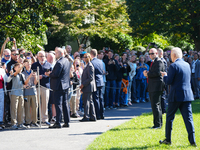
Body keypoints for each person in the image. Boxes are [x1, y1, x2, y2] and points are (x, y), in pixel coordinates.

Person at [160, 47, 196, 146]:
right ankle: (192, 141)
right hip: (187, 95)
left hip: (176, 95)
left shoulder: (173, 66)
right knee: (188, 118)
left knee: (169, 117)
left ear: (174, 55)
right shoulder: (187, 65)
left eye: (171, 55)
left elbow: (169, 81)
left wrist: (165, 76)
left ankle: (168, 139)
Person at [46, 48, 71, 128]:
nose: (55, 54)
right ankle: (66, 121)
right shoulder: (66, 61)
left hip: (58, 86)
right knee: (65, 104)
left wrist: (49, 74)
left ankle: (58, 122)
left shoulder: (59, 62)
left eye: (56, 53)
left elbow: (56, 74)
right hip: (65, 85)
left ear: (60, 53)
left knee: (58, 105)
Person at [143, 48, 165, 129]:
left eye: (152, 53)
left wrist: (148, 74)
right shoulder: (153, 62)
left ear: (156, 53)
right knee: (155, 105)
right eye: (149, 54)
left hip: (156, 86)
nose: (150, 55)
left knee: (155, 105)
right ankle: (158, 123)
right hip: (153, 85)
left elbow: (157, 73)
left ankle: (157, 124)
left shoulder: (158, 61)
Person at [7, 63, 33, 129]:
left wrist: (30, 76)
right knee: (14, 109)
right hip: (14, 93)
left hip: (21, 93)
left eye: (20, 67)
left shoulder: (22, 75)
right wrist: (22, 66)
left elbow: (25, 83)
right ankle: (13, 123)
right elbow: (15, 73)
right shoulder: (13, 74)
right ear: (15, 68)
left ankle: (20, 123)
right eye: (18, 67)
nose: (20, 68)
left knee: (21, 109)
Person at [31, 51, 52, 125]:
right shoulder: (34, 65)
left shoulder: (48, 65)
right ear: (37, 57)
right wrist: (36, 77)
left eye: (43, 56)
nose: (42, 58)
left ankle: (44, 119)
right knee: (35, 103)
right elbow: (32, 74)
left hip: (45, 87)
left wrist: (42, 76)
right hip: (36, 86)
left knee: (45, 104)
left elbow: (50, 74)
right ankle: (35, 120)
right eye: (41, 56)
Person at [79, 53, 96, 122]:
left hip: (88, 86)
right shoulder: (87, 65)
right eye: (83, 57)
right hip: (88, 86)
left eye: (85, 57)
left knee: (86, 102)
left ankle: (86, 116)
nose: (84, 58)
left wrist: (83, 84)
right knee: (90, 101)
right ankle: (92, 116)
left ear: (88, 57)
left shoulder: (90, 66)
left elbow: (90, 78)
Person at [22, 59, 39, 127]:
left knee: (35, 106)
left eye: (29, 64)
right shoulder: (23, 73)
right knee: (27, 107)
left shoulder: (34, 72)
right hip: (26, 92)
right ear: (25, 65)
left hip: (33, 91)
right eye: (27, 64)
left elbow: (35, 83)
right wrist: (29, 76)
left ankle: (34, 121)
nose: (28, 65)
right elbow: (25, 82)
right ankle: (28, 122)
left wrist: (35, 77)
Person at [90, 49, 104, 120]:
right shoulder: (100, 62)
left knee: (96, 98)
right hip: (100, 81)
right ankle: (102, 113)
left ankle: (98, 114)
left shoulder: (92, 62)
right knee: (100, 98)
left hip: (95, 81)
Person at [0, 65, 7, 130]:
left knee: (1, 106)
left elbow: (6, 79)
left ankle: (0, 121)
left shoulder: (2, 70)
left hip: (1, 90)